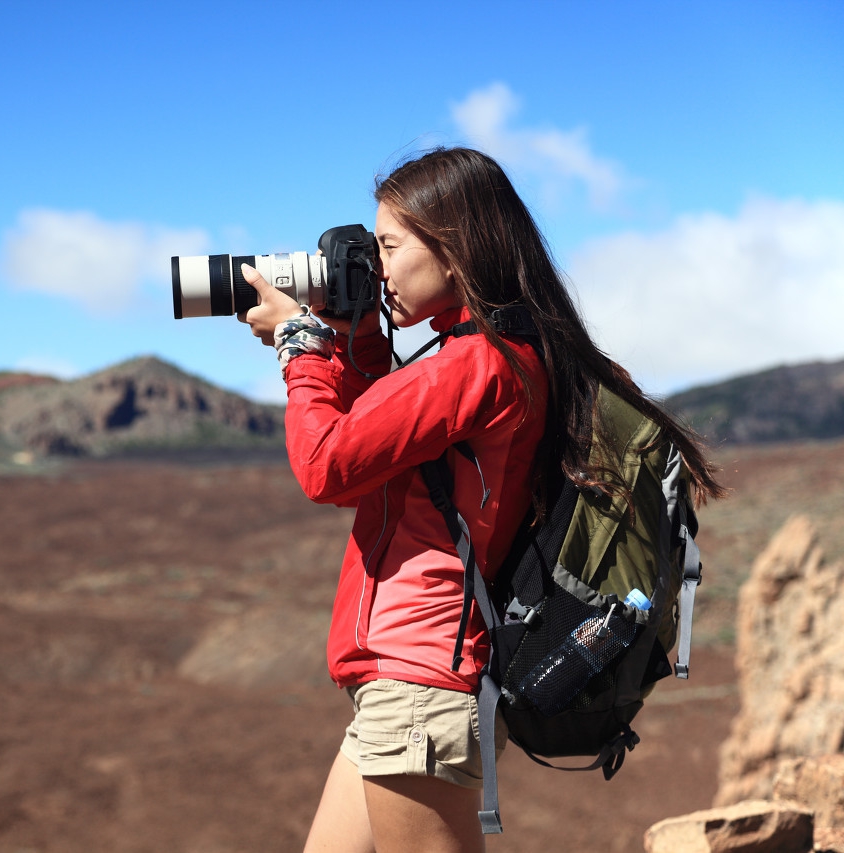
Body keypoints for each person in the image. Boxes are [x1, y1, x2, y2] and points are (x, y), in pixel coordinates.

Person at [238, 147, 724, 853]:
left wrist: (300, 346)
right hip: (402, 684)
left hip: (420, 680)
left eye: (390, 246)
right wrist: (359, 336)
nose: (377, 266)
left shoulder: (477, 362)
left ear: (456, 247)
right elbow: (385, 442)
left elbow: (328, 465)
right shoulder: (492, 354)